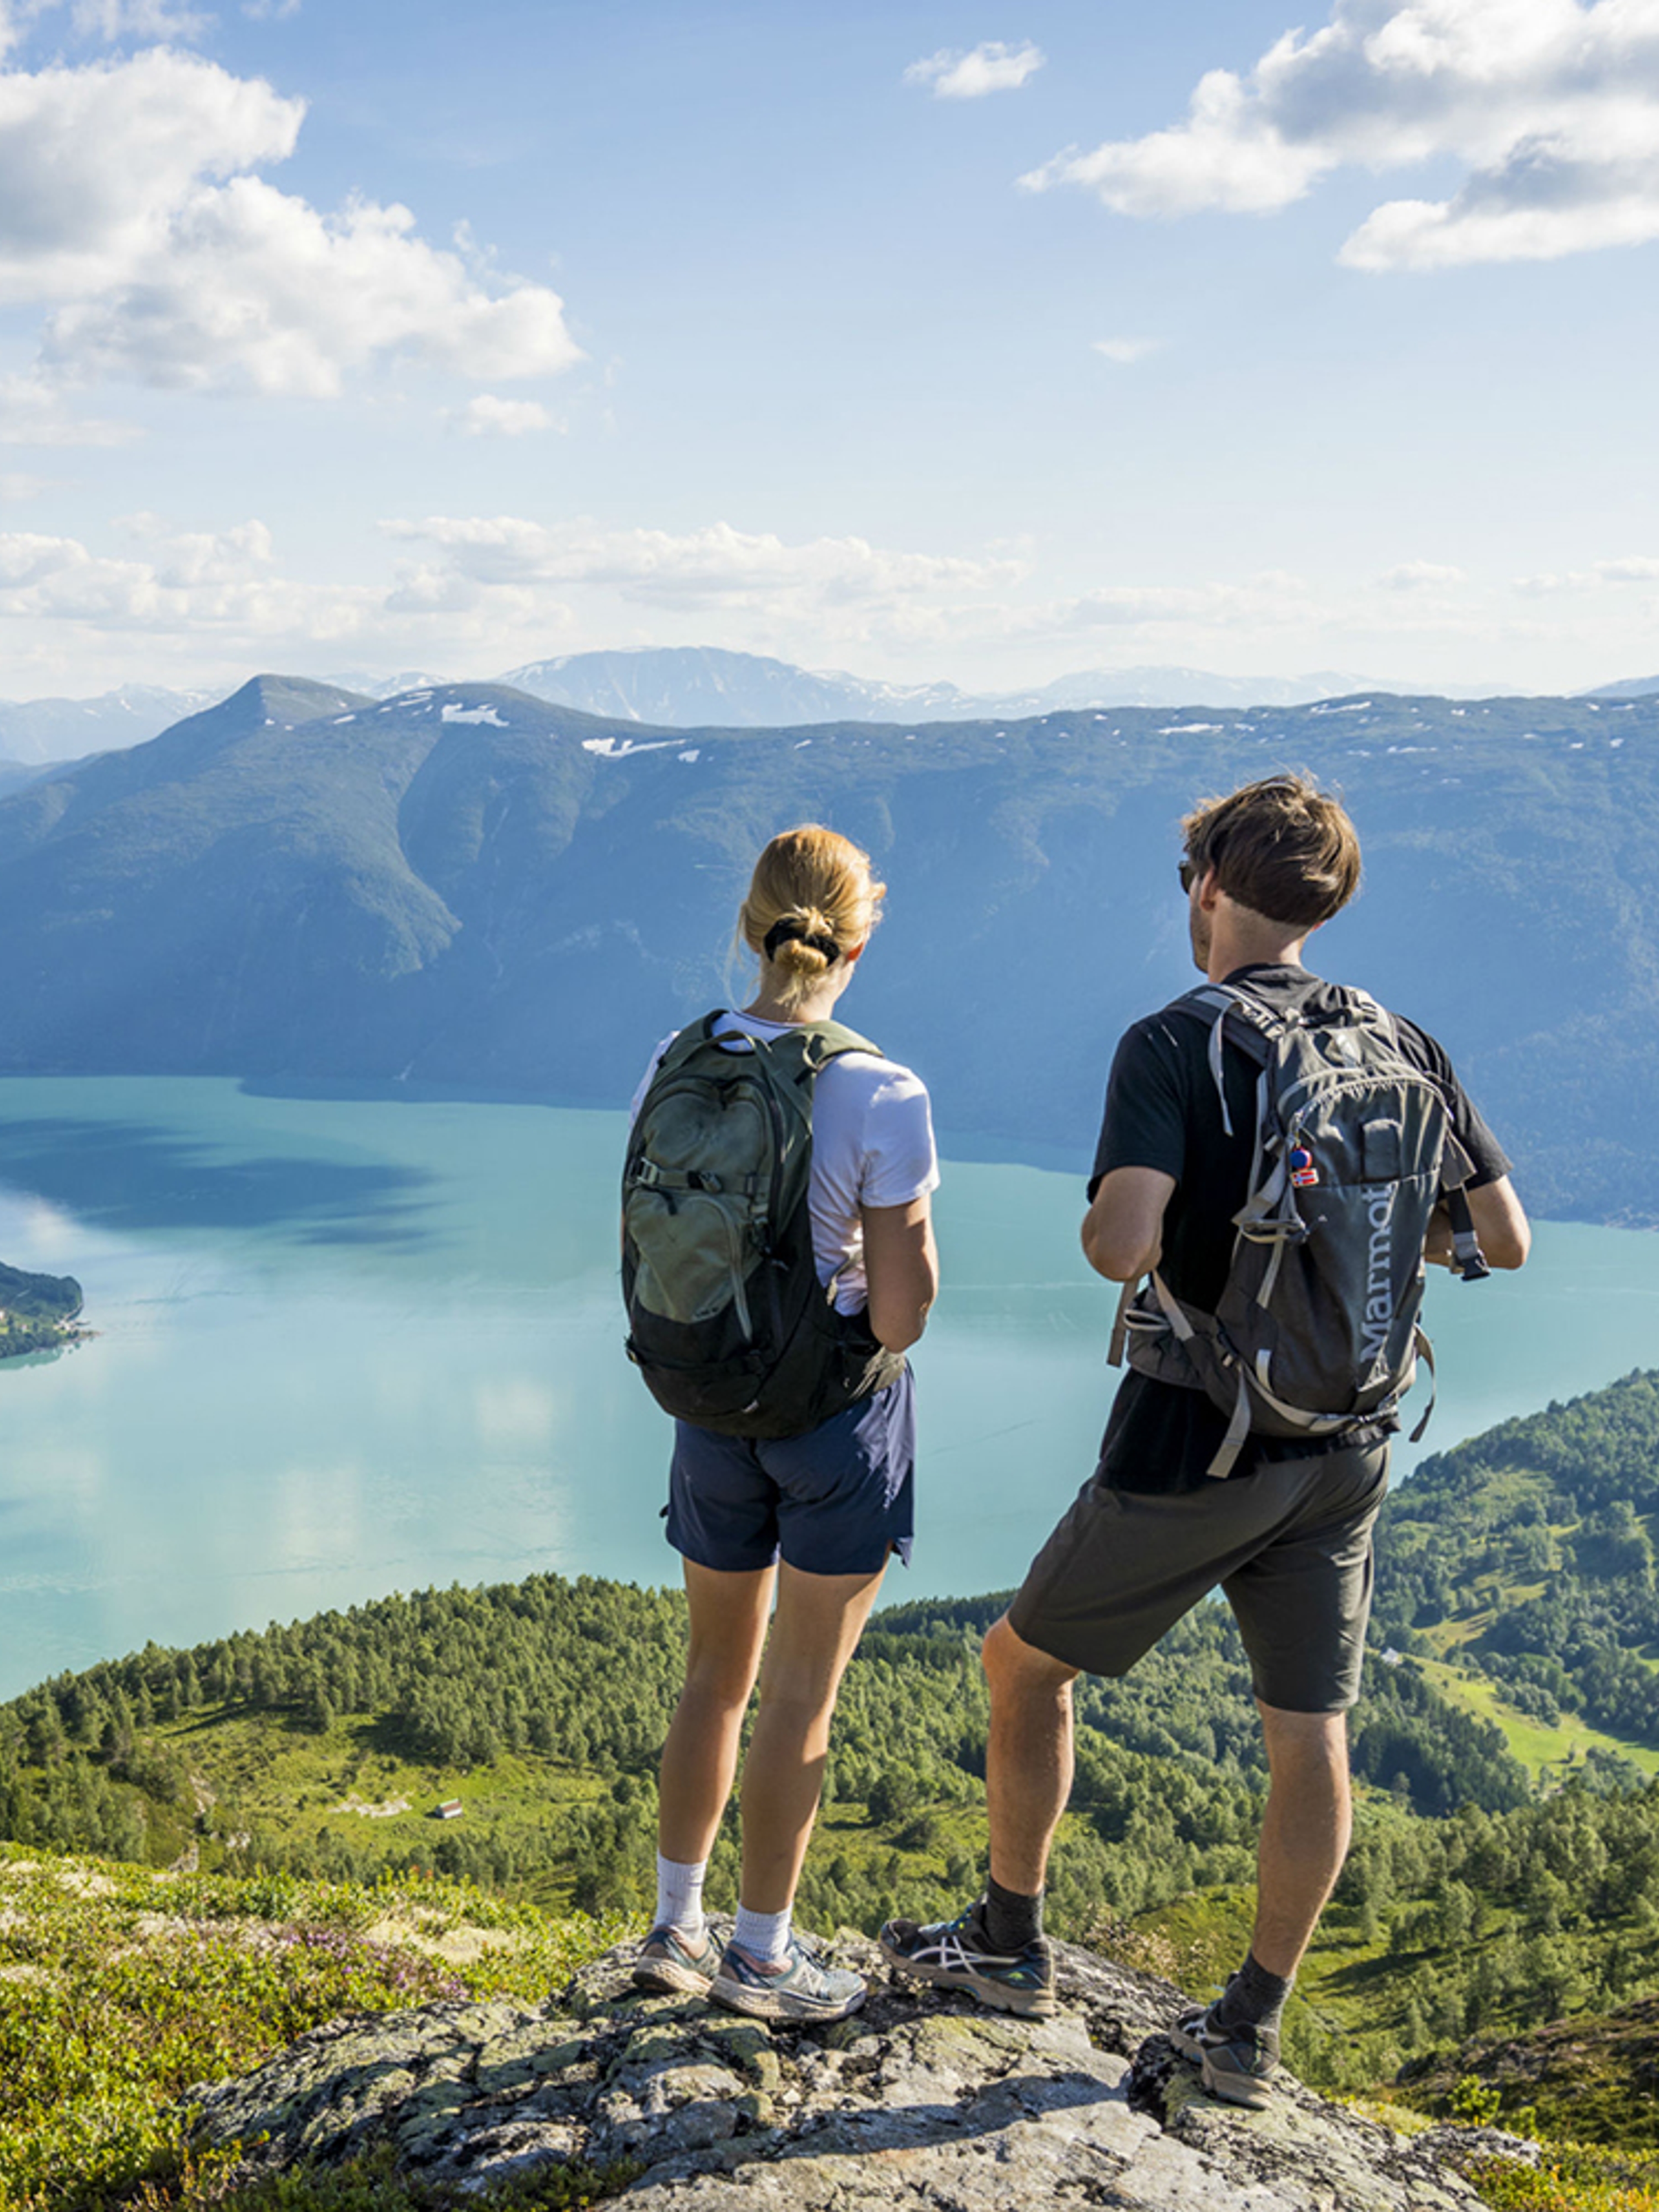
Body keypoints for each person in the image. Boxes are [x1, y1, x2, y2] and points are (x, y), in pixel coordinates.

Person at [882, 773, 1529, 2101]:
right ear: (1327, 900)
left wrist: (1137, 1224)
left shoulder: (1177, 1042)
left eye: (1192, 883)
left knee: (1023, 1664)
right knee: (1311, 1734)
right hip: (1349, 1440)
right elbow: (1504, 1241)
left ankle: (1009, 1946)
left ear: (1210, 889)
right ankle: (1249, 2028)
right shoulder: (1403, 1039)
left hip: (1197, 1439)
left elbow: (1121, 1242)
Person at [630, 824, 939, 2024]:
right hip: (831, 1424)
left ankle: (673, 1928)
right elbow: (901, 1317)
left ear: (751, 928)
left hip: (705, 1406)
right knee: (802, 1691)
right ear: (858, 936)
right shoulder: (878, 1087)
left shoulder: (679, 1054)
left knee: (713, 1674)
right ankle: (762, 1956)